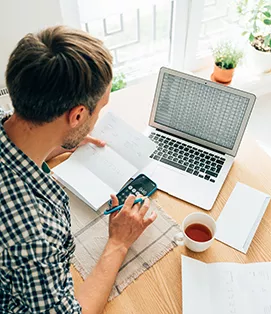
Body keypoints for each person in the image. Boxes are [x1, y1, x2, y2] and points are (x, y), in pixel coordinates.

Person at [0, 26, 157, 314]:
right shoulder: (33, 236)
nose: (97, 119)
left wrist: (59, 140)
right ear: (77, 115)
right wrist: (119, 243)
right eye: (99, 110)